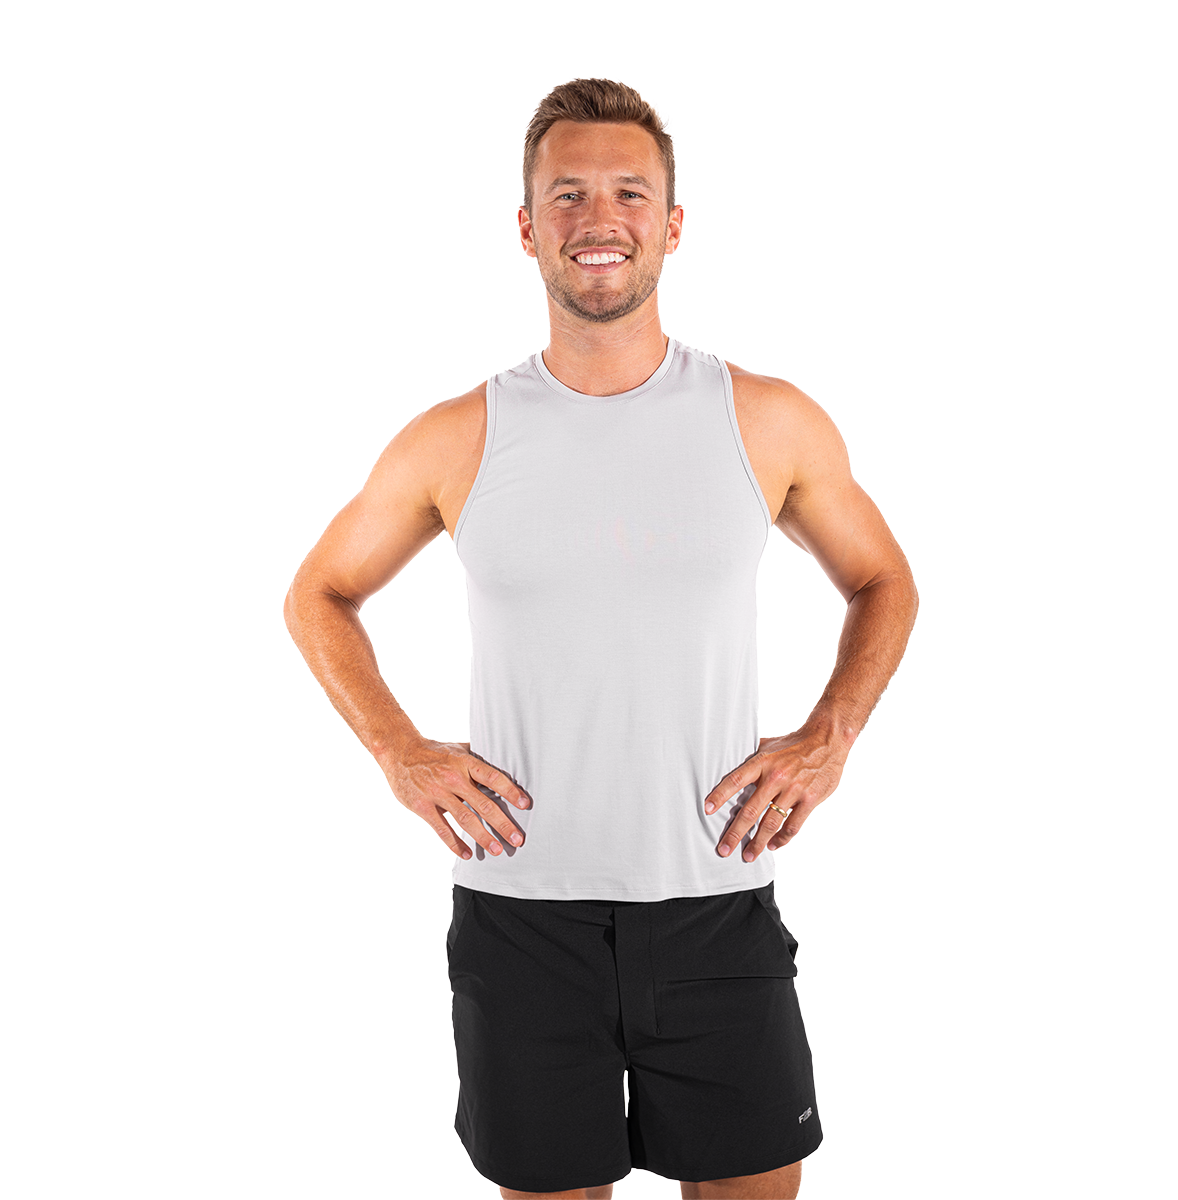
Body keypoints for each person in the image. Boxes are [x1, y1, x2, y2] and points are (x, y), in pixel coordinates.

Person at [284, 77, 918, 1200]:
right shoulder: (457, 436)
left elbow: (882, 579)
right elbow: (318, 593)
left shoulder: (765, 418)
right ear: (529, 230)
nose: (599, 217)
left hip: (716, 899)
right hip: (522, 917)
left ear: (672, 225)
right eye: (567, 193)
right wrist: (399, 750)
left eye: (630, 191)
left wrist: (829, 735)